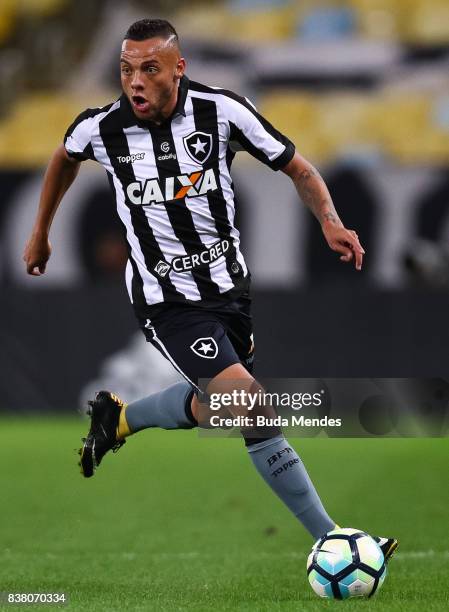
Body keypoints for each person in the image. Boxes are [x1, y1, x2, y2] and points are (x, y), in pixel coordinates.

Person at [24, 18, 397, 557]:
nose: (135, 82)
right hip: (165, 299)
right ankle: (333, 540)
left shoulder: (221, 111)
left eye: (149, 69)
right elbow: (63, 157)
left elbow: (299, 168)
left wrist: (330, 221)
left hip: (229, 291)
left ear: (179, 68)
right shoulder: (100, 128)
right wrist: (40, 234)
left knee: (215, 406)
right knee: (251, 408)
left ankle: (119, 418)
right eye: (126, 70)